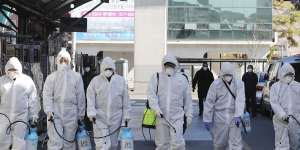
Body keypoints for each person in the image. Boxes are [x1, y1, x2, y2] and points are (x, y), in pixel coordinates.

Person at [147, 54, 193, 150]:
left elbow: (187, 99)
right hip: (161, 117)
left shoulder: (182, 79)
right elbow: (151, 95)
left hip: (177, 117)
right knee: (162, 144)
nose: (169, 68)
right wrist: (156, 109)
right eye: (167, 65)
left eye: (171, 65)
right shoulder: (156, 77)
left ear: (175, 66)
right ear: (163, 65)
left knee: (178, 144)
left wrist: (189, 115)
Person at [43, 50, 86, 150]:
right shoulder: (51, 78)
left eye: (65, 60)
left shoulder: (76, 77)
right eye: (61, 60)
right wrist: (49, 111)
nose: (63, 62)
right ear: (57, 61)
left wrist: (81, 114)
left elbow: (81, 97)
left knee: (69, 142)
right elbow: (47, 95)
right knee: (55, 143)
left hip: (71, 113)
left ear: (69, 61)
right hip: (55, 113)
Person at [87, 57, 131, 150]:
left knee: (113, 145)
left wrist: (126, 116)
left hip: (116, 119)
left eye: (110, 69)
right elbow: (90, 98)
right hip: (99, 118)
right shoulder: (95, 81)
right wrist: (91, 113)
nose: (108, 71)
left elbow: (126, 101)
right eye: (106, 69)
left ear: (113, 69)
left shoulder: (120, 81)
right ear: (102, 69)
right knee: (101, 145)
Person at [203, 62, 245, 150]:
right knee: (219, 144)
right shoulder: (215, 84)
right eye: (226, 74)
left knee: (235, 144)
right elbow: (209, 102)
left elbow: (240, 100)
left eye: (229, 74)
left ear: (232, 73)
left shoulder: (239, 84)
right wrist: (207, 118)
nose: (228, 76)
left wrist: (238, 115)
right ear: (222, 73)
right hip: (220, 117)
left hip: (234, 117)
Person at [0, 57, 40, 149]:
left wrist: (33, 116)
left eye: (14, 69)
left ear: (19, 69)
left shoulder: (27, 81)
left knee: (19, 142)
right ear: (6, 69)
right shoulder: (2, 81)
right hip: (4, 117)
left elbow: (33, 100)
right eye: (10, 69)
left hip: (21, 117)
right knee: (2, 141)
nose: (12, 71)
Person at [270, 63, 300, 150]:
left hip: (296, 121)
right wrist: (282, 114)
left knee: (296, 144)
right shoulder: (276, 87)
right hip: (281, 121)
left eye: (290, 75)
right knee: (282, 145)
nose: (288, 76)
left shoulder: (298, 86)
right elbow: (274, 102)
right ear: (281, 74)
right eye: (286, 75)